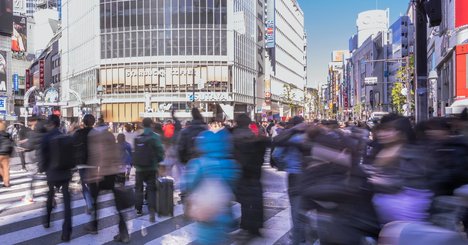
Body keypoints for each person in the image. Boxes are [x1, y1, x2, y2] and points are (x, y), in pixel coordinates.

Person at [181, 122, 240, 245]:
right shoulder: (231, 164)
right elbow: (233, 186)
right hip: (224, 213)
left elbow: (189, 185)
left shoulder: (199, 163)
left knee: (206, 239)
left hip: (206, 212)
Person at [85, 118, 130, 242]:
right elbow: (116, 152)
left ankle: (94, 226)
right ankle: (124, 233)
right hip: (112, 172)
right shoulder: (110, 135)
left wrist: (92, 174)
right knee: (118, 204)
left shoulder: (93, 135)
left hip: (98, 173)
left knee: (95, 201)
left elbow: (95, 155)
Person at [231, 114, 268, 239]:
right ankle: (256, 227)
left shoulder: (234, 137)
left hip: (242, 173)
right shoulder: (254, 136)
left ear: (237, 122)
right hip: (255, 173)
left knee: (246, 202)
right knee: (256, 200)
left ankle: (246, 227)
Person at [39, 115, 73, 241]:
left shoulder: (46, 137)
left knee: (50, 195)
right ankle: (66, 232)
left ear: (51, 124)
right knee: (67, 202)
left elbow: (43, 156)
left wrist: (42, 168)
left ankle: (47, 220)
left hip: (52, 173)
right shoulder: (65, 136)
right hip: (65, 173)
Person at [134, 118, 164, 222]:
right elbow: (160, 152)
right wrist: (158, 161)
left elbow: (135, 152)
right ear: (151, 125)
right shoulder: (155, 136)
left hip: (139, 168)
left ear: (142, 125)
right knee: (151, 189)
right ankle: (151, 210)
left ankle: (138, 209)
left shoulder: (138, 136)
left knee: (138, 189)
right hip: (151, 167)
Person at [72, 114, 96, 214]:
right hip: (94, 162)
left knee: (84, 184)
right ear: (93, 122)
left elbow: (72, 146)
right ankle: (93, 203)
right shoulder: (96, 133)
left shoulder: (78, 133)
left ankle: (89, 204)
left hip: (81, 162)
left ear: (84, 122)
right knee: (93, 185)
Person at [0, 121, 13, 187]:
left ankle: (3, 178)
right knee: (6, 168)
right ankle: (7, 183)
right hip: (6, 153)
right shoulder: (7, 134)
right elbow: (11, 143)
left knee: (1, 168)